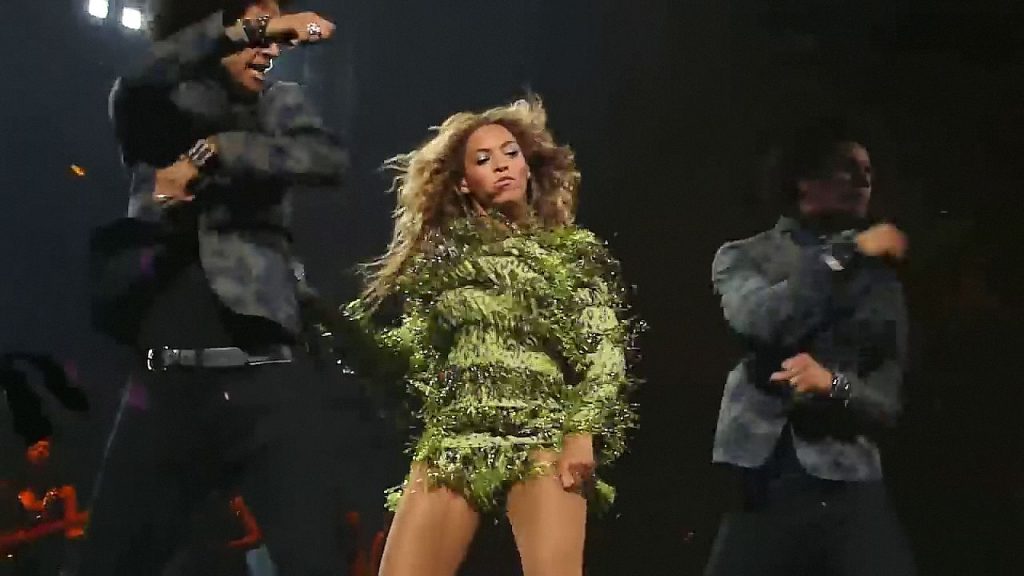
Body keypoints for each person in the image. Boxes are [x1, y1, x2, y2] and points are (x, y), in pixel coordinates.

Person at [81, 1, 351, 574]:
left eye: (277, 38)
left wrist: (220, 150)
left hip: (268, 377)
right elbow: (141, 75)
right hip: (166, 383)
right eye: (260, 33)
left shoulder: (278, 103)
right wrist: (249, 28)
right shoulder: (156, 105)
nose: (271, 48)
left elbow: (325, 158)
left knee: (316, 560)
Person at [343, 96, 638, 576]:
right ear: (463, 182)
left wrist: (583, 432)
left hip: (541, 431)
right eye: (483, 160)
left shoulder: (571, 252)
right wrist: (338, 329)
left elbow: (604, 351)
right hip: (456, 436)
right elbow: (413, 361)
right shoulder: (441, 266)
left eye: (510, 153)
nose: (501, 165)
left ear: (528, 167)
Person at [704, 126, 917, 575]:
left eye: (868, 172)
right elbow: (765, 322)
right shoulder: (743, 257)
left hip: (848, 479)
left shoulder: (879, 280)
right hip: (762, 481)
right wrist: (846, 253)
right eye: (847, 169)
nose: (862, 181)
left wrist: (834, 385)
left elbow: (887, 401)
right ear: (804, 180)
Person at [0, 439, 88, 576]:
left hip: (50, 557)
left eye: (46, 449)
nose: (41, 451)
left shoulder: (64, 492)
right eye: (35, 448)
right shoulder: (7, 490)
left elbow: (72, 531)